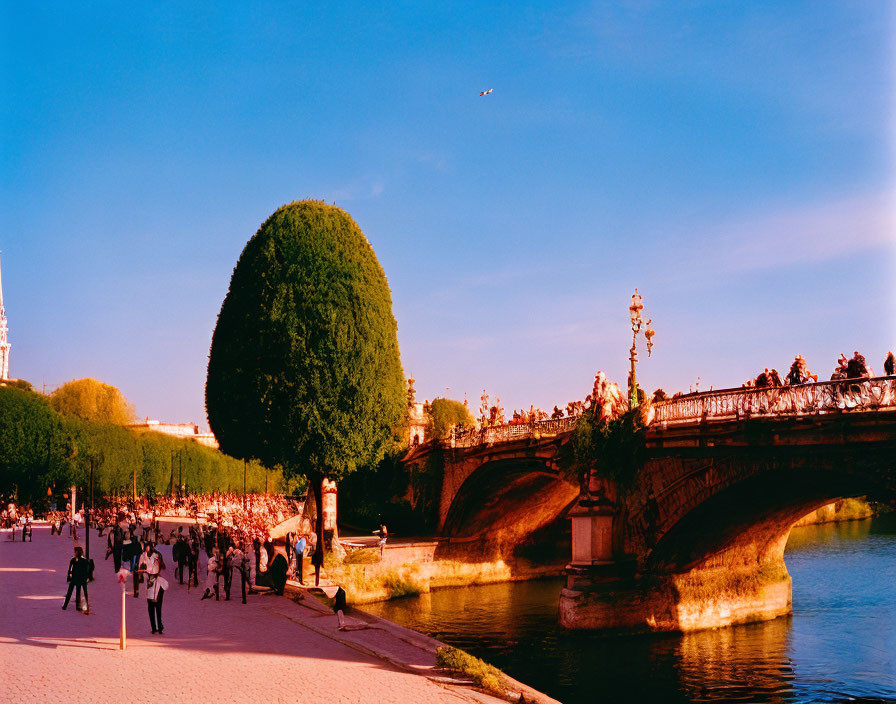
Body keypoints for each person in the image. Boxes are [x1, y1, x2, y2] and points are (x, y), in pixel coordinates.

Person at [138, 542, 168, 634]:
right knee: (150, 606)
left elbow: (163, 566)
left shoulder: (157, 555)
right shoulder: (143, 556)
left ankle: (160, 627)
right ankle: (153, 627)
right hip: (149, 581)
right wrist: (143, 571)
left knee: (158, 606)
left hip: (157, 581)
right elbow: (140, 567)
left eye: (147, 546)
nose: (146, 548)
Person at [62, 546, 90, 613]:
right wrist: (86, 578)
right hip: (81, 578)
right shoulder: (85, 561)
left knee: (70, 592)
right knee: (81, 591)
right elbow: (86, 570)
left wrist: (69, 576)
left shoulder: (73, 560)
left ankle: (65, 605)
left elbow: (70, 569)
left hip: (75, 578)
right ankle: (82, 606)